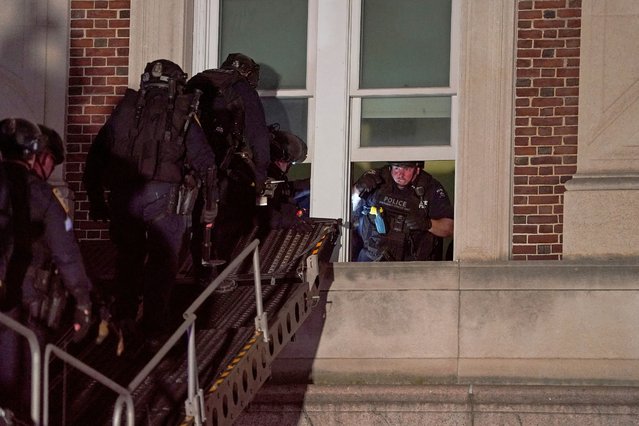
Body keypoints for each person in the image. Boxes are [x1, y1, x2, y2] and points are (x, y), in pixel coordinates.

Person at [83, 59, 218, 352]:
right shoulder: (183, 112)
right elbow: (205, 163)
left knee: (128, 260)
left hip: (123, 198)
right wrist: (210, 205)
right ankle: (155, 330)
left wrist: (96, 202)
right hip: (165, 200)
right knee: (162, 264)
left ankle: (125, 320)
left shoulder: (124, 112)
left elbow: (95, 160)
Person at [0, 118, 93, 420]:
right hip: (17, 304)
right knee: (22, 386)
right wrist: (82, 302)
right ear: (34, 154)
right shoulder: (41, 195)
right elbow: (67, 254)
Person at [185, 53, 271, 271]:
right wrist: (260, 174)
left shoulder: (198, 82)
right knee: (225, 219)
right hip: (223, 166)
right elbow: (258, 135)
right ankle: (218, 273)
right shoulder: (242, 89)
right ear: (248, 72)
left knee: (196, 217)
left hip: (188, 166)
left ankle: (197, 269)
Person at [352, 161, 454, 262]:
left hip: (413, 266)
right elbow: (346, 207)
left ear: (417, 169)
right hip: (371, 257)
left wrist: (428, 224)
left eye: (406, 169)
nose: (400, 174)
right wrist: (358, 188)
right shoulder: (376, 178)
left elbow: (450, 228)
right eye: (396, 167)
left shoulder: (431, 188)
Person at [258, 123, 310, 233]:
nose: (289, 166)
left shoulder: (271, 176)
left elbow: (287, 188)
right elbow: (260, 213)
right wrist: (289, 222)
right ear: (279, 160)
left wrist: (312, 184)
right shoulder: (264, 178)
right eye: (289, 162)